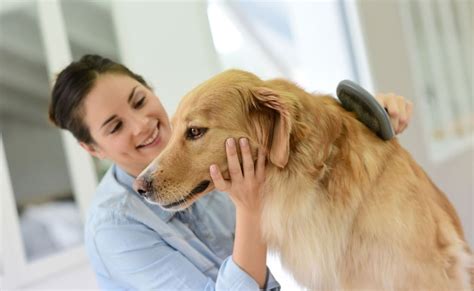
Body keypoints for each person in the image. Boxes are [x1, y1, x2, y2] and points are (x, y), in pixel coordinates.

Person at [48, 55, 413, 290]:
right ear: (92, 149)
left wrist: (367, 119)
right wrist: (250, 209)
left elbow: (311, 156)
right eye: (115, 127)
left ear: (151, 90)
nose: (143, 125)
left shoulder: (216, 154)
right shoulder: (114, 229)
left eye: (140, 100)